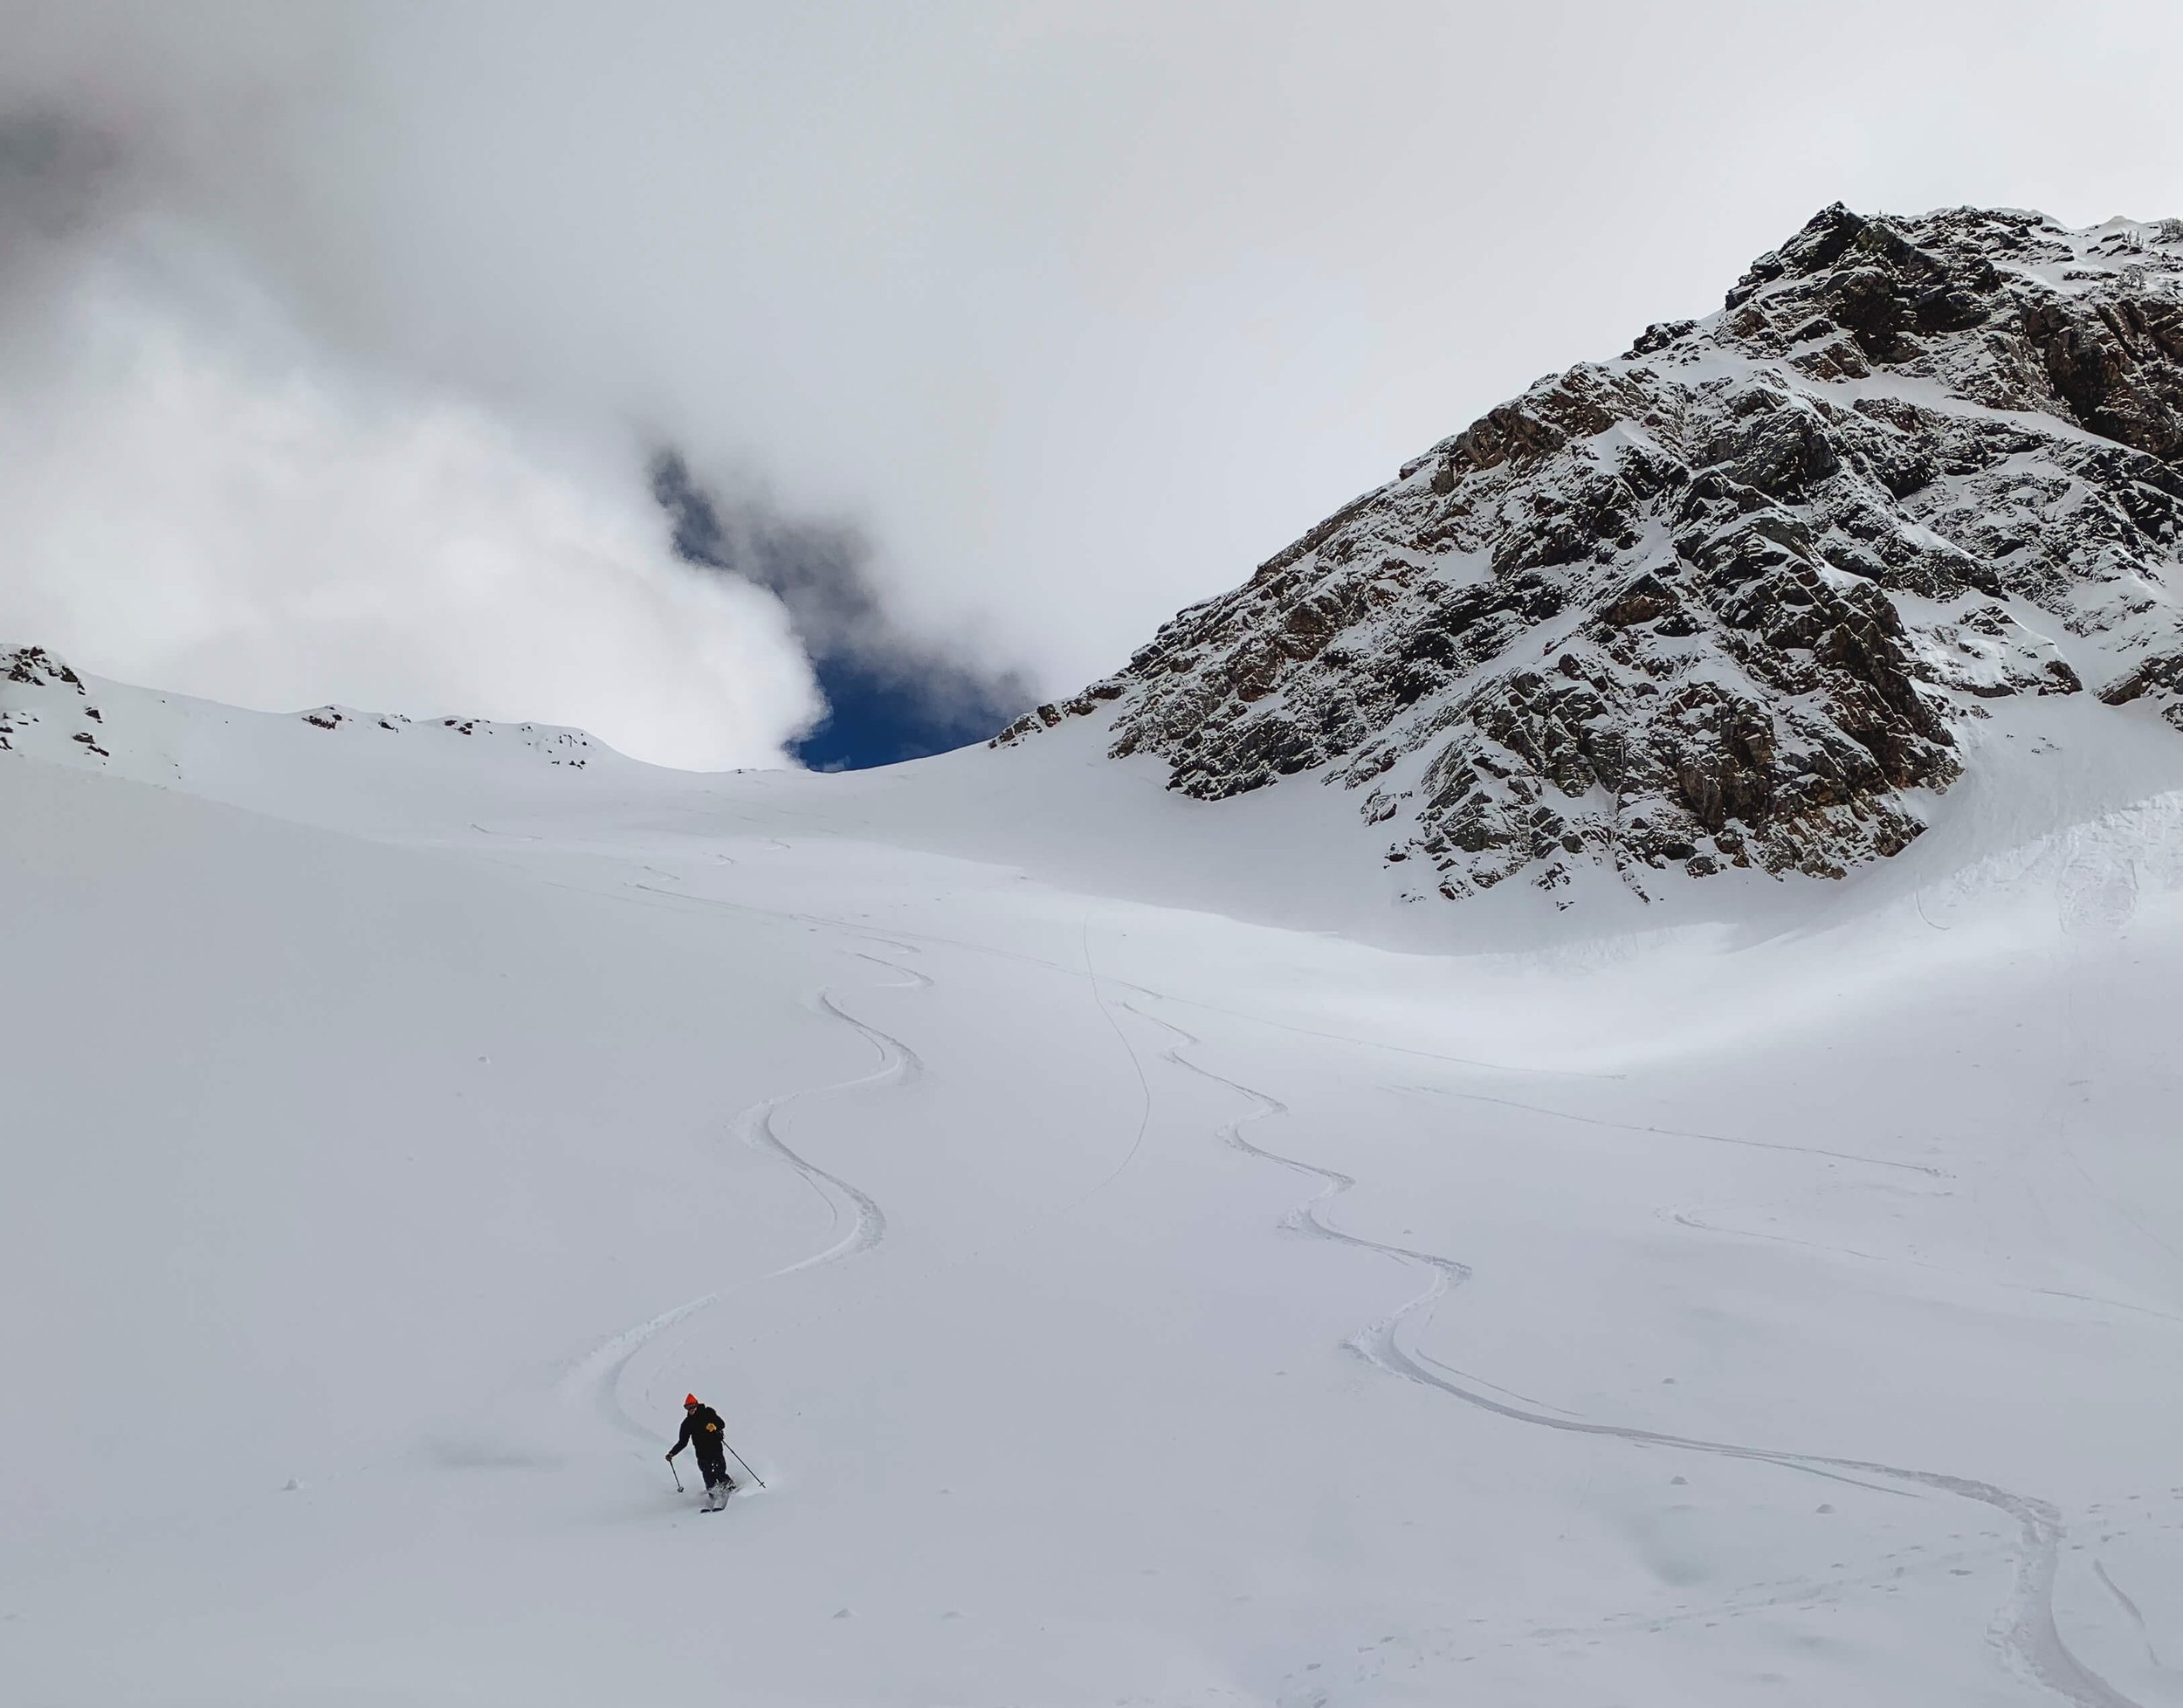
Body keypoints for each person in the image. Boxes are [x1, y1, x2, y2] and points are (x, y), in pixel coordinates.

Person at [667, 1394, 737, 1511]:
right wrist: (672, 1453)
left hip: (715, 1447)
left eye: (692, 1406)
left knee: (719, 1471)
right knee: (707, 1474)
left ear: (697, 1405)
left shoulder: (708, 1413)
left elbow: (721, 1424)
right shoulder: (687, 1424)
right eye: (688, 1408)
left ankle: (730, 1489)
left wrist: (714, 1426)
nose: (691, 1410)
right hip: (701, 1451)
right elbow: (683, 1442)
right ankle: (714, 1495)